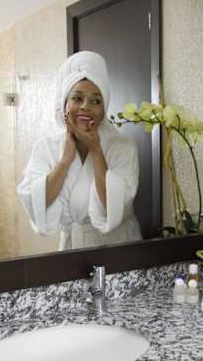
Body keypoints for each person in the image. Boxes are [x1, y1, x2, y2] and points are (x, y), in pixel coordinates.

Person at [17, 51, 142, 249]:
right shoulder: (45, 148)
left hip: (118, 247)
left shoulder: (123, 147)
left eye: (96, 101)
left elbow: (114, 207)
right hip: (72, 248)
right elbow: (36, 202)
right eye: (77, 98)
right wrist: (65, 161)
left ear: (104, 108)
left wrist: (96, 150)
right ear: (65, 104)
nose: (85, 106)